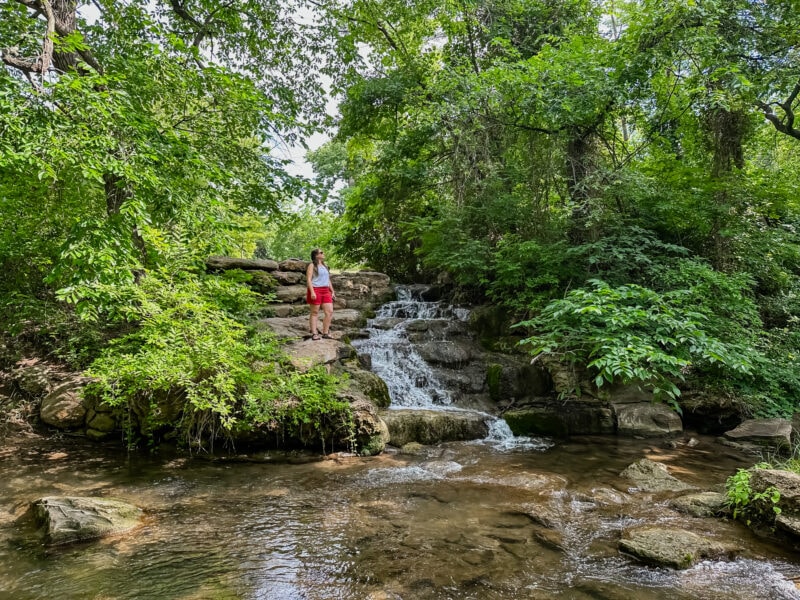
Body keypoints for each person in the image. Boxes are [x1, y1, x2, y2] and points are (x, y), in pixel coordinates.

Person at [306, 248, 336, 340]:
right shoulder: (311, 265)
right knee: (314, 312)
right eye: (321, 252)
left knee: (329, 312)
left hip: (326, 291)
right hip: (316, 290)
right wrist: (312, 292)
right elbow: (309, 280)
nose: (323, 254)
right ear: (316, 255)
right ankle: (314, 333)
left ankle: (325, 333)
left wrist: (332, 291)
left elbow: (328, 279)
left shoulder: (325, 265)